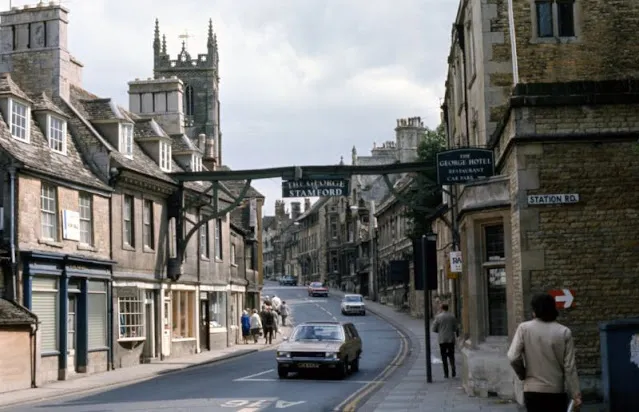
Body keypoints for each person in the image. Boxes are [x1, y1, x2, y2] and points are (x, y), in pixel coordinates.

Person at [507, 293, 582, 412]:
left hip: (532, 390)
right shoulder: (564, 332)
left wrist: (523, 374)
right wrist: (575, 394)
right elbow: (570, 367)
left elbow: (512, 357)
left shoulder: (524, 329)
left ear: (535, 311)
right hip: (556, 391)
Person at [432, 303, 458, 378]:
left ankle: (446, 373)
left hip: (442, 339)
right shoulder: (452, 316)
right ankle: (453, 371)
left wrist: (440, 331)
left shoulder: (438, 317)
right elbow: (455, 328)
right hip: (451, 339)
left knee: (443, 357)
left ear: (442, 308)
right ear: (447, 308)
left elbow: (434, 329)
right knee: (451, 355)